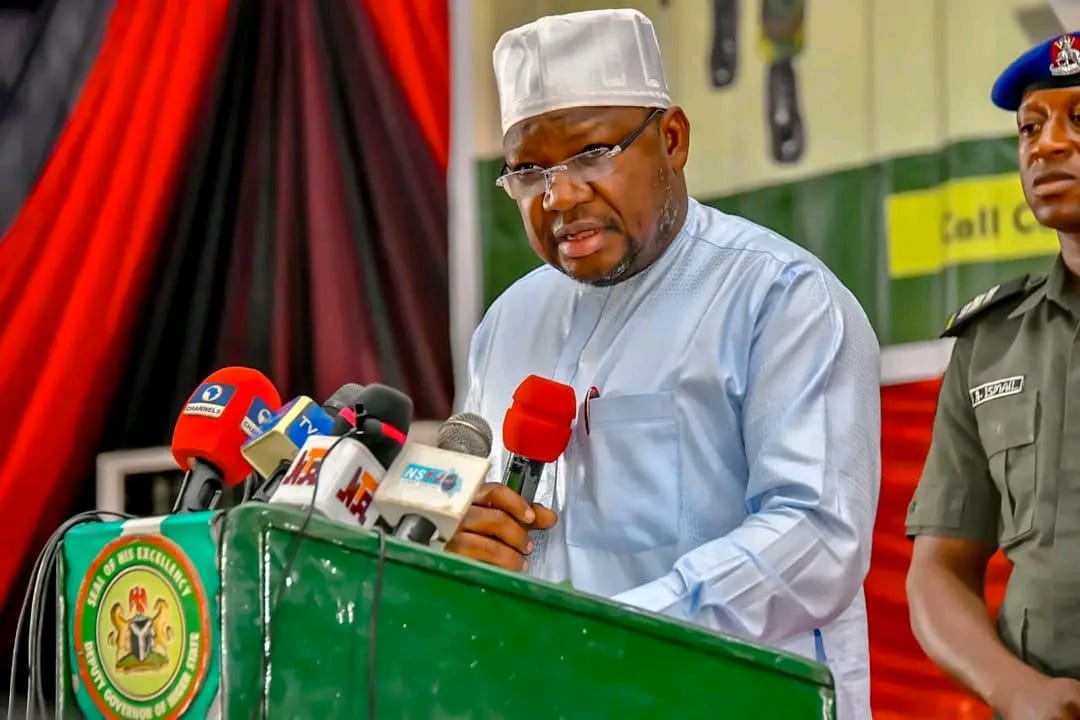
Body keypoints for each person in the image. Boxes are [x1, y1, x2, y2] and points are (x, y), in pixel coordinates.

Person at [446, 9, 880, 719]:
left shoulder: (779, 299)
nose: (560, 197)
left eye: (592, 154)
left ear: (671, 140)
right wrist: (465, 541)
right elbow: (488, 523)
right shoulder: (508, 323)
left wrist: (610, 634)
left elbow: (816, 540)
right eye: (528, 172)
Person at [906, 32, 1080, 720]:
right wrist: (1015, 689)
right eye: (1031, 127)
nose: (1047, 145)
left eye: (1078, 119)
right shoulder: (992, 342)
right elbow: (939, 569)